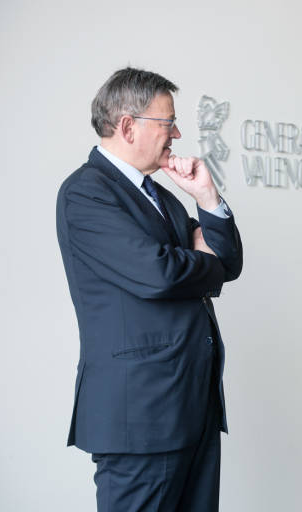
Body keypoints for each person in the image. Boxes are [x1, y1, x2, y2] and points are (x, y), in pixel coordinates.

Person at [56, 67, 243, 511]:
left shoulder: (162, 198)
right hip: (142, 417)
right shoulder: (86, 193)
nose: (177, 133)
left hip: (192, 410)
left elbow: (228, 264)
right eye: (167, 122)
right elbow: (158, 274)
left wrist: (207, 197)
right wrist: (201, 260)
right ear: (127, 126)